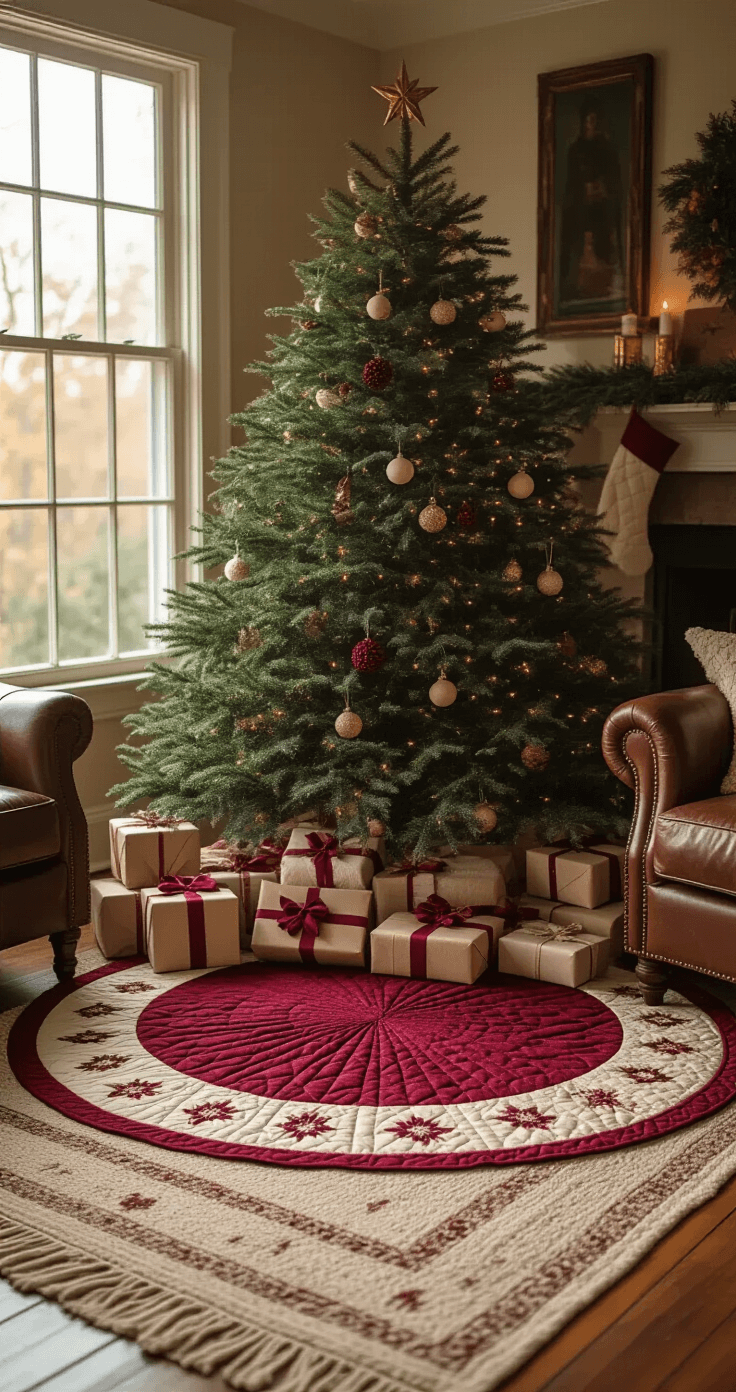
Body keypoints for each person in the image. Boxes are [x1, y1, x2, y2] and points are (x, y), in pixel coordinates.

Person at [559, 96, 624, 304]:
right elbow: (570, 183)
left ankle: (603, 287)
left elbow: (615, 181)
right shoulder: (575, 150)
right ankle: (576, 285)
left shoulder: (607, 149)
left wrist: (602, 188)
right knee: (581, 246)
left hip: (601, 209)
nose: (592, 124)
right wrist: (582, 191)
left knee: (602, 247)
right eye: (588, 120)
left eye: (595, 120)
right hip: (580, 209)